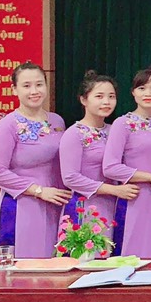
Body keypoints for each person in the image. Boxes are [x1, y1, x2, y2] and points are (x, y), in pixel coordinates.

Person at [0, 62, 68, 258]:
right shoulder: (7, 126)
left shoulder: (56, 121)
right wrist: (38, 191)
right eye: (26, 85)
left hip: (56, 201)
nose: (34, 91)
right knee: (27, 261)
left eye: (39, 84)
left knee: (55, 261)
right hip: (23, 203)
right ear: (14, 89)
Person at [102, 66, 151, 258]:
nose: (148, 93)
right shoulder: (122, 123)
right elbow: (110, 167)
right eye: (142, 88)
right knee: (135, 254)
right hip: (136, 197)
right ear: (133, 92)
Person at [59, 71, 137, 237]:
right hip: (87, 207)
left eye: (111, 96)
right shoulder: (74, 133)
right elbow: (70, 177)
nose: (106, 102)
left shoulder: (115, 130)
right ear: (83, 100)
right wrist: (113, 190)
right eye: (99, 96)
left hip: (117, 204)